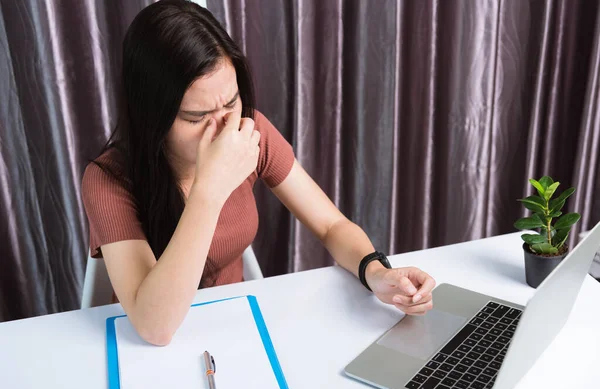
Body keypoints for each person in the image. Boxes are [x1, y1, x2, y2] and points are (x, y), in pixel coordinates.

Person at [82, 0, 435, 346]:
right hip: (148, 348)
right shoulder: (107, 180)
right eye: (196, 117)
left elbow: (331, 225)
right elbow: (154, 328)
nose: (223, 128)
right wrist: (210, 189)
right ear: (151, 116)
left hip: (234, 328)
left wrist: (376, 273)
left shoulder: (251, 133)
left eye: (231, 102)